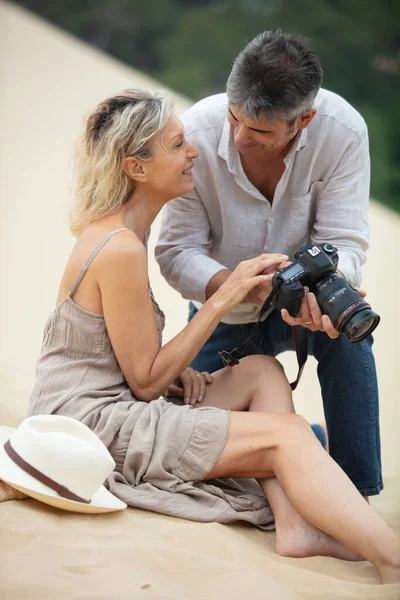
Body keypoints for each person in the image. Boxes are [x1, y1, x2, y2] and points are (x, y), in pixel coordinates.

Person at [26, 89, 399, 583]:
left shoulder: (123, 235)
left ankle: (295, 526)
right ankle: (392, 556)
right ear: (137, 168)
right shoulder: (117, 248)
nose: (194, 152)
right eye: (177, 145)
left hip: (109, 403)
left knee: (262, 371)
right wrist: (224, 296)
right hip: (95, 424)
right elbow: (142, 381)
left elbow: (115, 356)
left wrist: (179, 377)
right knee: (289, 437)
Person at [155, 30, 382, 501]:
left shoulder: (343, 133)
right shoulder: (194, 134)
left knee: (353, 340)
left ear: (304, 119)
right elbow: (177, 252)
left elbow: (345, 241)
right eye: (234, 118)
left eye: (258, 131)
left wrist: (327, 293)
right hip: (224, 309)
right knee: (195, 453)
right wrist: (236, 286)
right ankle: (309, 446)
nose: (238, 138)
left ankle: (356, 496)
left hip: (310, 305)